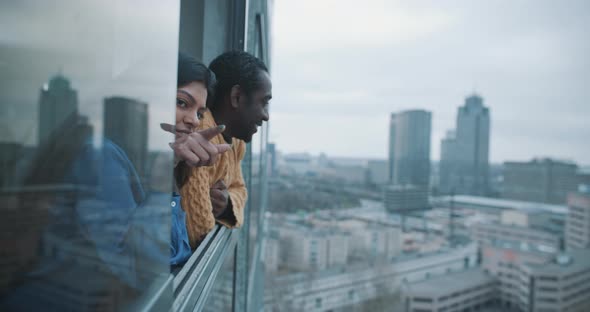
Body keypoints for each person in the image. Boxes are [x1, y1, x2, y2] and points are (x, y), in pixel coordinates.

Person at [180, 51, 272, 248]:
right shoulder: (203, 135)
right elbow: (199, 233)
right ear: (237, 97)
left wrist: (226, 203)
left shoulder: (235, 142)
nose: (266, 116)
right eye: (263, 102)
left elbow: (241, 190)